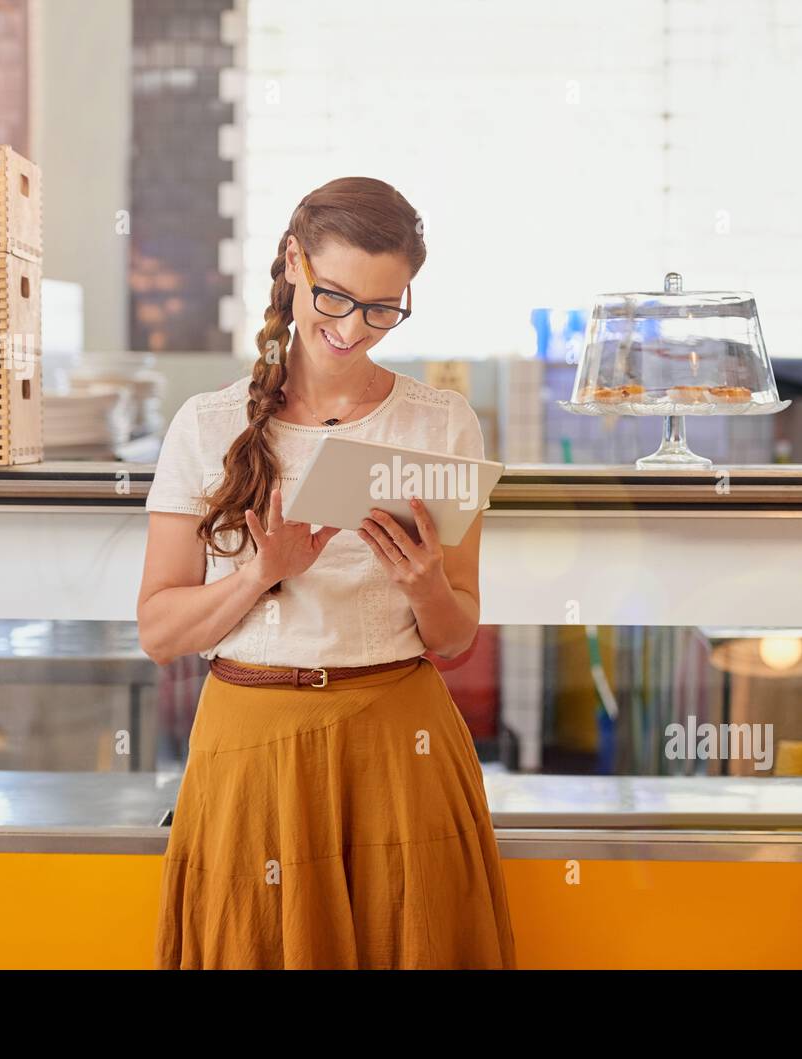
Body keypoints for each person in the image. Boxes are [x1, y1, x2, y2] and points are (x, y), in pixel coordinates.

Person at [137, 176, 517, 969]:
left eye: (383, 308)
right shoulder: (206, 425)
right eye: (335, 297)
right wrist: (260, 574)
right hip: (251, 749)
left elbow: (453, 637)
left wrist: (424, 585)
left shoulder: (441, 422)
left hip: (398, 745)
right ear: (292, 263)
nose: (352, 328)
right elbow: (158, 630)